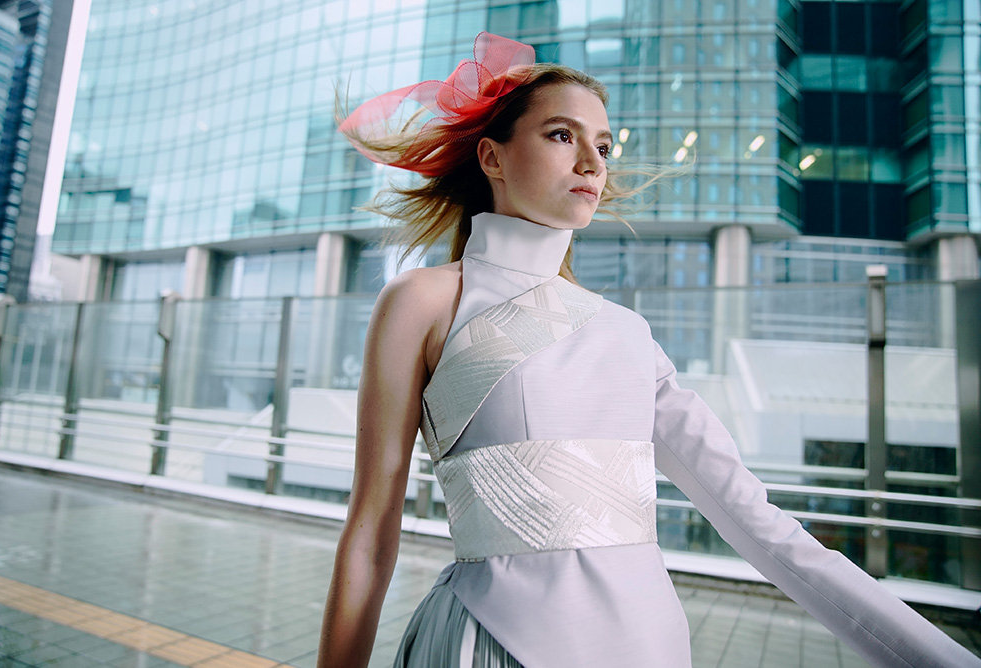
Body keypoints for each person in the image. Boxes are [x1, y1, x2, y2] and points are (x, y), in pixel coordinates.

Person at [317, 32, 980, 668]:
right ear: (491, 156)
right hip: (488, 644)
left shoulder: (627, 333)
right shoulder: (423, 301)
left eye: (604, 146)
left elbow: (762, 527)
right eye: (561, 136)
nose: (591, 164)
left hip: (649, 650)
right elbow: (372, 537)